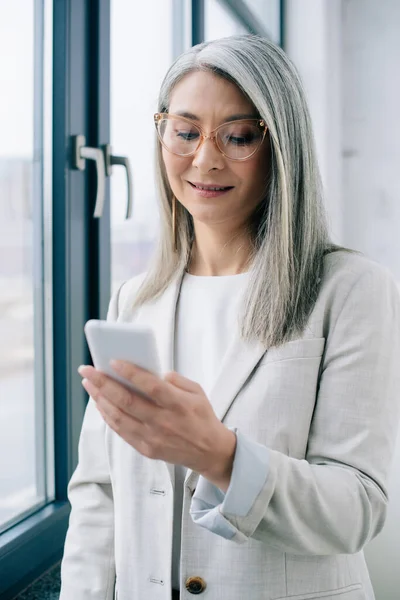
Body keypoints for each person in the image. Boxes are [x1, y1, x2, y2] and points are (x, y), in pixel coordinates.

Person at [59, 35, 400, 600]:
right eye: (186, 132)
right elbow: (100, 493)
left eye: (239, 136)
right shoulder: (134, 299)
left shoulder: (351, 289)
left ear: (281, 146)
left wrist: (219, 454)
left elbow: (358, 508)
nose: (206, 158)